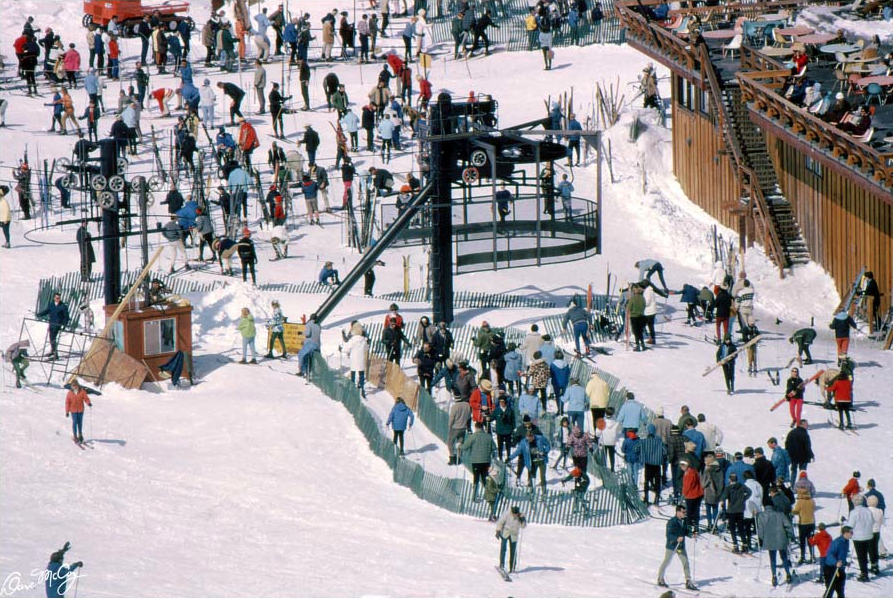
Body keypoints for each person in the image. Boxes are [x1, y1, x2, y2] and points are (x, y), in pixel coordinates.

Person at [656, 505, 698, 590]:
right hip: (672, 546)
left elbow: (685, 531)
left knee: (685, 562)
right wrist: (676, 538)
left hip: (680, 546)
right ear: (678, 512)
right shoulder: (672, 522)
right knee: (667, 561)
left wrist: (691, 535)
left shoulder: (684, 521)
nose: (684, 514)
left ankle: (688, 581)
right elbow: (668, 535)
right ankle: (660, 579)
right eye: (683, 512)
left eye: (685, 512)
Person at [757, 501, 794, 586]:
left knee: (772, 559)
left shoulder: (761, 516)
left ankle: (774, 576)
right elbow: (788, 525)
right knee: (784, 557)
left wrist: (761, 539)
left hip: (769, 540)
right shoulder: (780, 514)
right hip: (781, 538)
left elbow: (760, 530)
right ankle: (788, 574)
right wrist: (790, 535)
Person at [462, 420, 496, 497]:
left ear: (476, 428)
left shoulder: (473, 436)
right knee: (485, 477)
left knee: (476, 477)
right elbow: (494, 447)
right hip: (486, 461)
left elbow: (465, 447)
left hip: (476, 461)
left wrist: (458, 446)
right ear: (482, 428)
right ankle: (488, 493)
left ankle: (475, 494)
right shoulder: (488, 436)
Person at [37, 292, 69, 360]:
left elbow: (66, 317)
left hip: (57, 324)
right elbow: (47, 311)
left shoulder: (63, 306)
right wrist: (40, 314)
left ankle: (55, 355)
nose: (58, 299)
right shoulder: (52, 304)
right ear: (54, 298)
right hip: (51, 323)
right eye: (57, 298)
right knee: (51, 337)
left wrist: (64, 325)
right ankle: (52, 351)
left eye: (59, 298)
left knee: (53, 337)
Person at [823, 526, 853, 597]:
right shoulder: (837, 542)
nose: (852, 534)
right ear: (845, 533)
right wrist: (835, 562)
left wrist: (845, 563)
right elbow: (829, 554)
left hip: (840, 569)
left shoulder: (846, 542)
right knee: (830, 589)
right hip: (831, 568)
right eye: (851, 532)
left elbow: (841, 555)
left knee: (840, 590)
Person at [495, 506, 526, 574]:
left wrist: (522, 520)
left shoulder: (521, 515)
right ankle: (501, 565)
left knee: (513, 551)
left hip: (514, 534)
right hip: (506, 532)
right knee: (503, 549)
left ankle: (512, 567)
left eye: (516, 514)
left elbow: (523, 526)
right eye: (513, 514)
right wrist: (498, 531)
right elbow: (500, 522)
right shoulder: (507, 513)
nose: (514, 515)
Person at [792, 488, 817, 564]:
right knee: (810, 540)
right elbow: (814, 508)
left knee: (802, 541)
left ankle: (802, 557)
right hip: (811, 523)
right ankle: (812, 556)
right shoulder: (812, 501)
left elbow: (796, 511)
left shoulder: (800, 502)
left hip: (803, 523)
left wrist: (791, 512)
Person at [65, 378, 92, 444]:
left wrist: (88, 403)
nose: (74, 387)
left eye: (75, 385)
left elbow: (86, 398)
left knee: (80, 423)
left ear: (78, 385)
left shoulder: (82, 391)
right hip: (73, 410)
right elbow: (67, 403)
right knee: (75, 422)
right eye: (73, 385)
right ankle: (75, 436)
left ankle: (80, 435)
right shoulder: (69, 393)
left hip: (80, 410)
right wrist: (67, 411)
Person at [447, 395, 471, 465]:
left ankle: (452, 457)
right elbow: (469, 416)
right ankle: (458, 457)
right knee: (460, 443)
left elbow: (451, 418)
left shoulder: (455, 407)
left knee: (450, 442)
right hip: (463, 428)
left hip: (455, 428)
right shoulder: (467, 405)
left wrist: (450, 426)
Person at [297, 314, 321, 378]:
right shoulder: (318, 325)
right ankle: (313, 372)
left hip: (310, 344)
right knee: (312, 358)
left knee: (301, 354)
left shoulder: (309, 324)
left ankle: (302, 371)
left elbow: (308, 333)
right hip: (317, 345)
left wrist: (301, 333)